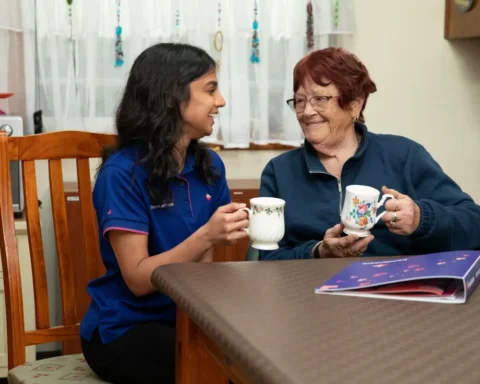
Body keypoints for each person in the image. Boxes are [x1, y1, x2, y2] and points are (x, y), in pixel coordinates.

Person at [80, 43, 249, 384]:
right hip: (125, 328)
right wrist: (206, 235)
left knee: (250, 354)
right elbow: (139, 281)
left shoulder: (209, 166)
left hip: (182, 319)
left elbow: (201, 276)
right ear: (172, 96)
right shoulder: (122, 174)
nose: (221, 102)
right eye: (211, 89)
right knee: (218, 370)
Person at [259, 47, 480, 260]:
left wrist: (421, 219)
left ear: (355, 104)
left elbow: (473, 223)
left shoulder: (404, 156)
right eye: (300, 101)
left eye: (320, 99)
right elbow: (268, 258)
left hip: (395, 289)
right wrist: (318, 252)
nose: (307, 112)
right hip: (309, 291)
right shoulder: (279, 172)